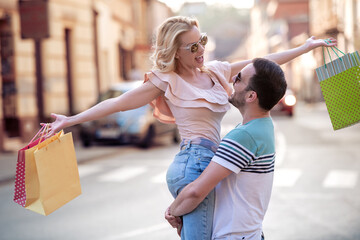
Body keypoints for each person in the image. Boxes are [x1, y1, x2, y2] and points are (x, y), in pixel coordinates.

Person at [46, 16, 336, 240]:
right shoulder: (166, 80)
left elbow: (261, 65)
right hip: (193, 163)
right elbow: (121, 102)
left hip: (208, 160)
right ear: (176, 52)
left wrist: (305, 48)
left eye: (203, 41)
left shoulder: (216, 71)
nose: (202, 50)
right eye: (193, 46)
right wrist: (71, 121)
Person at [166, 58, 286, 240]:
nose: (232, 81)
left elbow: (196, 191)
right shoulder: (264, 126)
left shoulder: (244, 136)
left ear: (251, 96)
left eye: (238, 79)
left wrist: (172, 211)